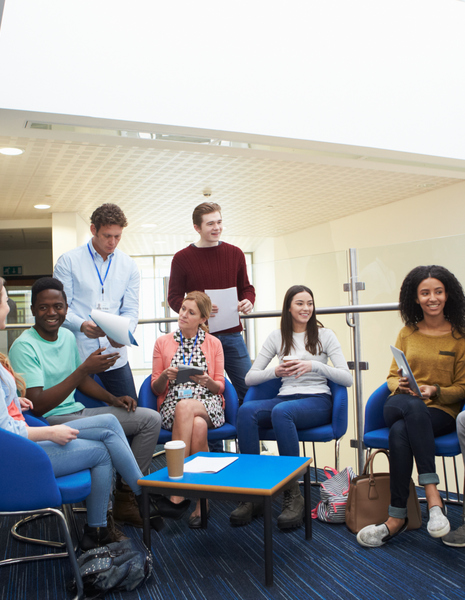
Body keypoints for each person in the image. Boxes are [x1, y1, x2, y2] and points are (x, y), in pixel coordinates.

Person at [0, 277, 163, 551]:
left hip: (74, 412)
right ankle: (141, 494)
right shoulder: (24, 346)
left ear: (66, 308)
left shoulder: (66, 336)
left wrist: (113, 399)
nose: (52, 312)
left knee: (149, 419)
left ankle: (123, 502)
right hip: (47, 421)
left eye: (58, 306)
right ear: (33, 309)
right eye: (43, 307)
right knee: (108, 428)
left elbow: (81, 380)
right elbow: (39, 406)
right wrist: (83, 370)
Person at [357, 265, 465, 548]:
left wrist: (436, 390)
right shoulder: (407, 332)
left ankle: (396, 518)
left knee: (400, 432)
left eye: (438, 292)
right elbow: (392, 376)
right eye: (425, 293)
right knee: (411, 410)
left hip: (439, 410)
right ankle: (433, 498)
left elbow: (462, 387)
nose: (433, 298)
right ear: (415, 298)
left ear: (448, 295)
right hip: (399, 402)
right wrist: (402, 386)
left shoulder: (460, 336)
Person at [230, 284, 353, 529]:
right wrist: (276, 371)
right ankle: (252, 492)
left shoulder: (325, 335)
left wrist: (314, 366)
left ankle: (293, 494)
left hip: (318, 400)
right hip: (285, 397)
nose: (306, 308)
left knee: (281, 412)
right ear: (288, 307)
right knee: (246, 411)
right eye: (300, 303)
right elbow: (250, 378)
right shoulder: (277, 337)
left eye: (310, 303)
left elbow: (346, 378)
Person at [168, 202, 255, 405]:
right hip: (198, 338)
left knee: (249, 389)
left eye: (219, 222)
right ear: (197, 227)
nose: (217, 228)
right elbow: (174, 298)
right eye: (210, 224)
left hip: (232, 335)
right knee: (201, 392)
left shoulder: (235, 253)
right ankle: (211, 427)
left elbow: (246, 288)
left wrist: (248, 301)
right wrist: (198, 310)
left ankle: (243, 425)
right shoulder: (182, 258)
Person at [151, 291, 225, 528]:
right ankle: (203, 501)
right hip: (172, 405)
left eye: (191, 312)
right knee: (197, 426)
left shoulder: (214, 343)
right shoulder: (163, 342)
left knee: (188, 409)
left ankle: (177, 492)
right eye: (183, 309)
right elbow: (155, 388)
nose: (183, 314)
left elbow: (220, 387)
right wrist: (165, 375)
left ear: (202, 319)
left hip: (207, 402)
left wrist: (207, 381)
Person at [53, 203, 139, 400]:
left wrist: (124, 334)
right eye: (107, 235)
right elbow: (60, 308)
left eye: (117, 236)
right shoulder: (68, 261)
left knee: (131, 408)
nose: (112, 242)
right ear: (93, 229)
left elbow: (131, 309)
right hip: (79, 355)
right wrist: (82, 325)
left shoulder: (129, 265)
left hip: (114, 355)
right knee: (78, 411)